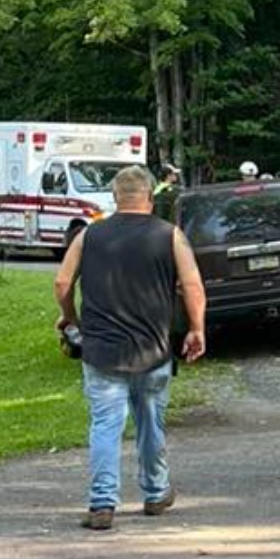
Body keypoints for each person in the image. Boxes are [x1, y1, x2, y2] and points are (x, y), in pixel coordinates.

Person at [52, 165, 206, 532]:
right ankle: (155, 493)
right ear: (150, 197)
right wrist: (197, 329)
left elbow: (61, 282)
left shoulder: (89, 236)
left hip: (102, 350)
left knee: (105, 424)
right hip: (153, 349)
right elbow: (193, 286)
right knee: (151, 422)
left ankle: (103, 504)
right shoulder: (171, 236)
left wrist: (70, 319)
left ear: (115, 198)